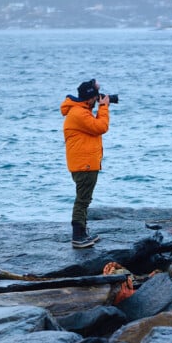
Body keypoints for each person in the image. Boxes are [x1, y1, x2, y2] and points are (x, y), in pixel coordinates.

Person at [60, 78, 110, 248]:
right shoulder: (79, 113)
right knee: (83, 199)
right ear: (90, 98)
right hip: (84, 164)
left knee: (84, 198)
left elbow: (94, 126)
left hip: (84, 162)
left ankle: (82, 231)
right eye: (96, 98)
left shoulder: (81, 111)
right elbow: (101, 127)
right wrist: (104, 108)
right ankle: (78, 236)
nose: (97, 101)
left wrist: (98, 103)